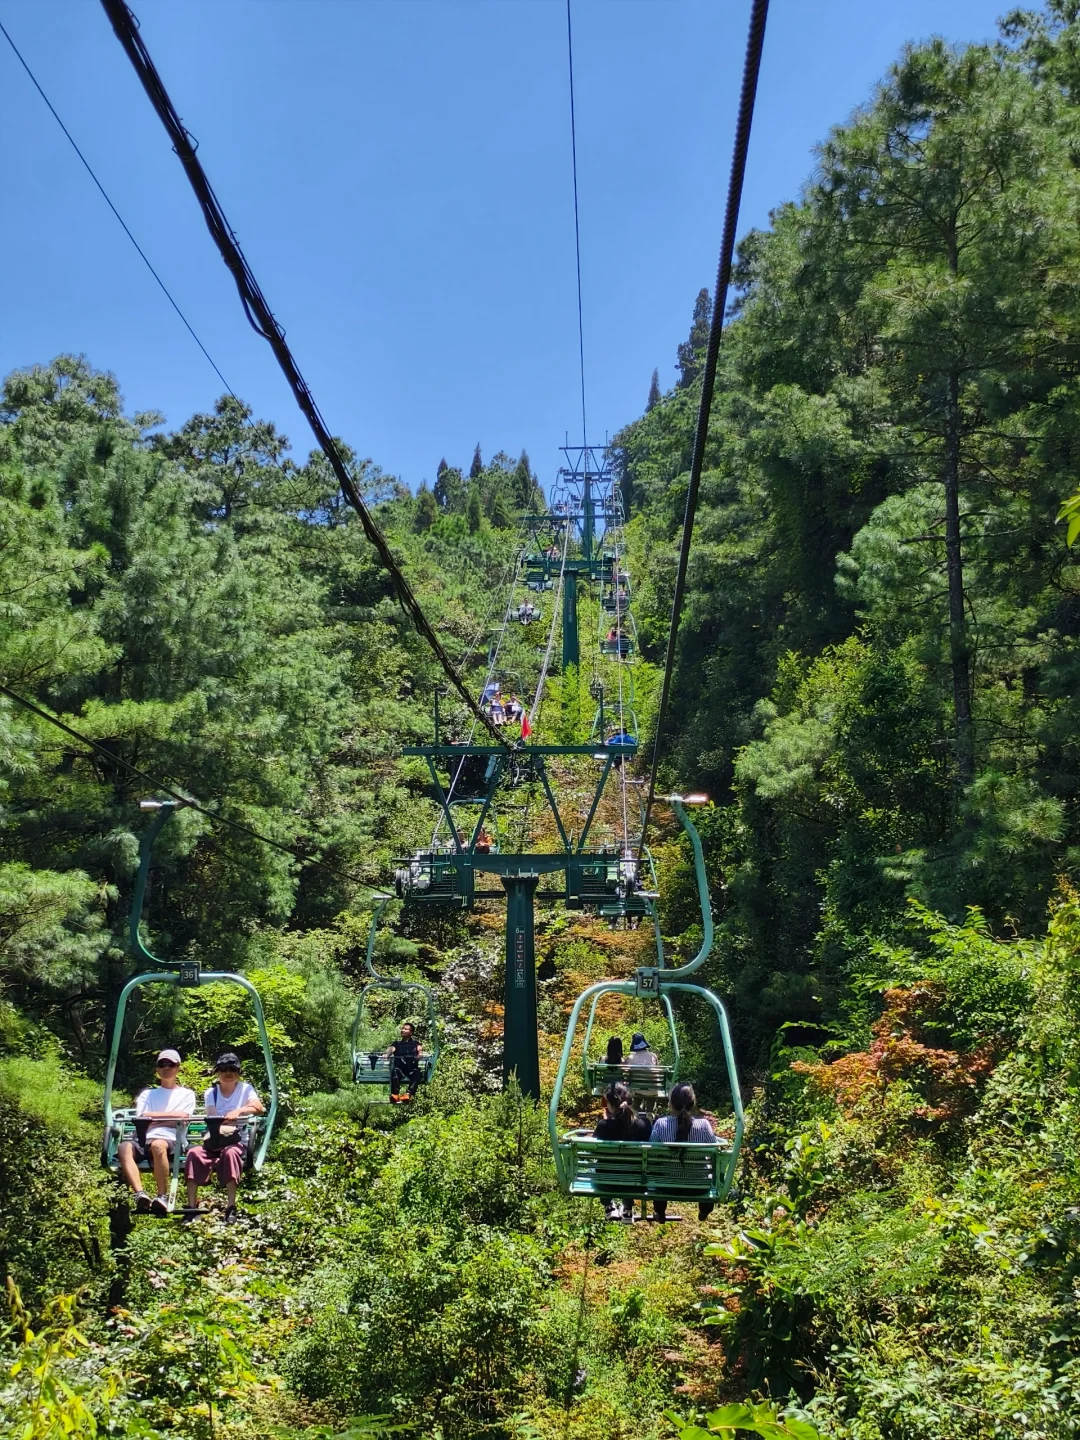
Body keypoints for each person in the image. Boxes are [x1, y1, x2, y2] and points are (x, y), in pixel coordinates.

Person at [183, 1052, 265, 1224]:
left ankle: (231, 1206)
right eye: (223, 1069)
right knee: (194, 1154)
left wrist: (239, 1111)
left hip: (235, 1140)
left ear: (238, 1073)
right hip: (214, 1140)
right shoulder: (210, 1093)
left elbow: (258, 1107)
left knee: (230, 1154)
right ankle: (191, 1207)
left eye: (232, 1070)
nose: (228, 1073)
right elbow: (213, 1117)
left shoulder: (245, 1089)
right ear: (217, 1072)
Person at [118, 1048, 196, 1217]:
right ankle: (140, 1194)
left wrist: (153, 1118)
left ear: (178, 1068)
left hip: (170, 1138)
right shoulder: (148, 1094)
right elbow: (142, 1117)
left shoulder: (186, 1095)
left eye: (171, 1064)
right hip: (143, 1138)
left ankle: (162, 1196)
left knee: (158, 1145)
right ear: (157, 1069)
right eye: (162, 1064)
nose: (166, 1068)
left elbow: (183, 1119)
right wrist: (171, 1116)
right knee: (124, 1147)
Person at [649, 1083, 718, 1223]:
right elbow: (715, 1151)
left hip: (666, 1187)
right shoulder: (704, 1125)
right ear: (693, 1103)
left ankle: (660, 1211)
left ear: (671, 1103)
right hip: (699, 1187)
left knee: (658, 1172)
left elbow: (652, 1155)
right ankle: (705, 1210)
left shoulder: (661, 1124)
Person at [594, 1081, 652, 1222]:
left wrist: (606, 1122)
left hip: (606, 1183)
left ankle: (608, 1206)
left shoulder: (603, 1126)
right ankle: (627, 1209)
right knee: (631, 1168)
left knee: (602, 1166)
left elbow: (595, 1152)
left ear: (610, 1105)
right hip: (636, 1183)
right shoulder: (644, 1125)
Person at [387, 1022, 424, 1103]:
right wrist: (387, 1054)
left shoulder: (416, 1043)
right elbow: (391, 1049)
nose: (402, 1030)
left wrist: (419, 1056)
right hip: (400, 1068)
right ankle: (395, 1094)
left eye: (405, 1029)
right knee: (395, 1071)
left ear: (411, 1032)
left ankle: (408, 1094)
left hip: (412, 1068)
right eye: (402, 1028)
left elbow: (420, 1052)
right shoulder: (397, 1044)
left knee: (417, 1073)